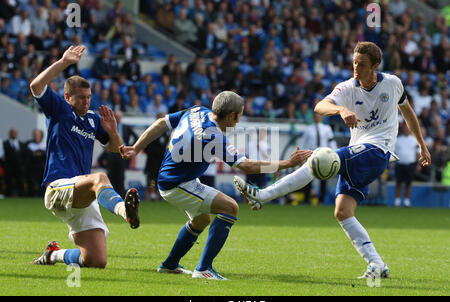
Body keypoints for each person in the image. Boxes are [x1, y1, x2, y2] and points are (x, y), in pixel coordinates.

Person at [234, 42, 431, 279]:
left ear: (376, 66)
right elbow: (320, 106)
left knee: (321, 158)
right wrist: (341, 111)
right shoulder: (347, 88)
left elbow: (407, 112)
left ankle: (262, 195)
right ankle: (377, 264)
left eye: (362, 64)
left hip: (378, 151)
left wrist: (422, 144)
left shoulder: (393, 83)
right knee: (342, 211)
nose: (356, 68)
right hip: (358, 151)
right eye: (354, 62)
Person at [119, 91, 311, 280]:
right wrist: (287, 163)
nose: (237, 123)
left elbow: (162, 123)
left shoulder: (196, 111)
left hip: (177, 178)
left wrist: (136, 148)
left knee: (202, 220)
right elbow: (245, 165)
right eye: (238, 117)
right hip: (176, 184)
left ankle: (169, 265)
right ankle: (204, 269)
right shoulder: (213, 137)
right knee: (230, 207)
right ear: (230, 116)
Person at [30, 45, 140, 269]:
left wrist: (113, 131)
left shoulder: (92, 120)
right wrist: (63, 63)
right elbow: (36, 85)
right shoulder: (59, 109)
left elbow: (115, 149)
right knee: (99, 178)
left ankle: (53, 255)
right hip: (59, 187)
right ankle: (124, 211)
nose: (86, 102)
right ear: (67, 96)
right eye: (80, 98)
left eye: (89, 97)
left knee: (96, 261)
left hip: (82, 193)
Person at [299, 113, 337, 204]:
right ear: (313, 117)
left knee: (324, 176)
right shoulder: (308, 129)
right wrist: (301, 155)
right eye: (315, 116)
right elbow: (303, 143)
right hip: (311, 154)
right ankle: (306, 198)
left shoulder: (327, 128)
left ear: (321, 118)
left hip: (323, 154)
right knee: (307, 175)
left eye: (319, 116)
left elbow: (331, 142)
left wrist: (334, 154)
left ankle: (321, 199)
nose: (317, 117)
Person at [394, 123, 419, 207]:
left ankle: (406, 201)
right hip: (399, 164)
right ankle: (397, 200)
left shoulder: (414, 140)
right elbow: (394, 152)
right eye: (405, 128)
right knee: (398, 183)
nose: (406, 130)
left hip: (410, 164)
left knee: (408, 183)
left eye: (408, 128)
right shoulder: (398, 139)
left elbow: (417, 153)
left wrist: (418, 164)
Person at [3, 127, 26, 197]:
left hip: (19, 167)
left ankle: (22, 196)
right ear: (10, 134)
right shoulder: (5, 144)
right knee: (8, 182)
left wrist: (23, 166)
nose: (14, 134)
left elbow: (24, 155)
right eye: (12, 133)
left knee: (20, 182)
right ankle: (8, 195)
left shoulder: (21, 144)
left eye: (15, 133)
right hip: (9, 167)